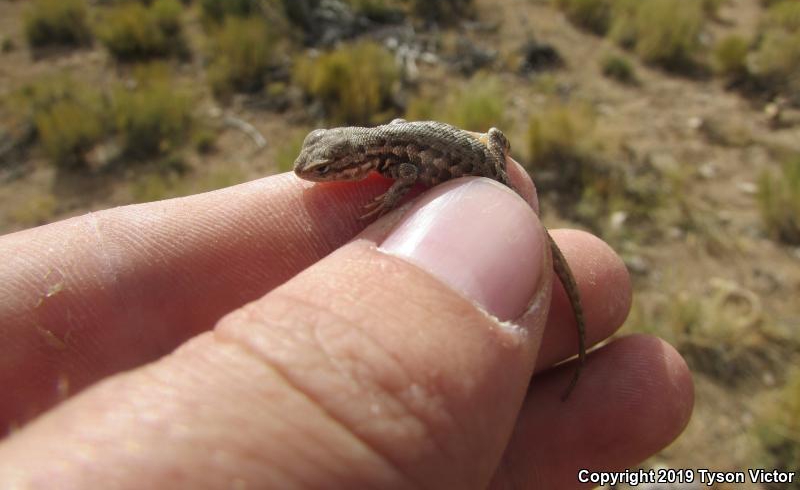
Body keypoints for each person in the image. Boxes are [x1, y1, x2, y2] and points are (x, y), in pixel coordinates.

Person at [0, 165, 693, 487]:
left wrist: (408, 214)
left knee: (572, 274)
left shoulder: (393, 161)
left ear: (357, 159)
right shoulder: (373, 149)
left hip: (478, 187)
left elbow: (407, 177)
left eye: (329, 166)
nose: (316, 174)